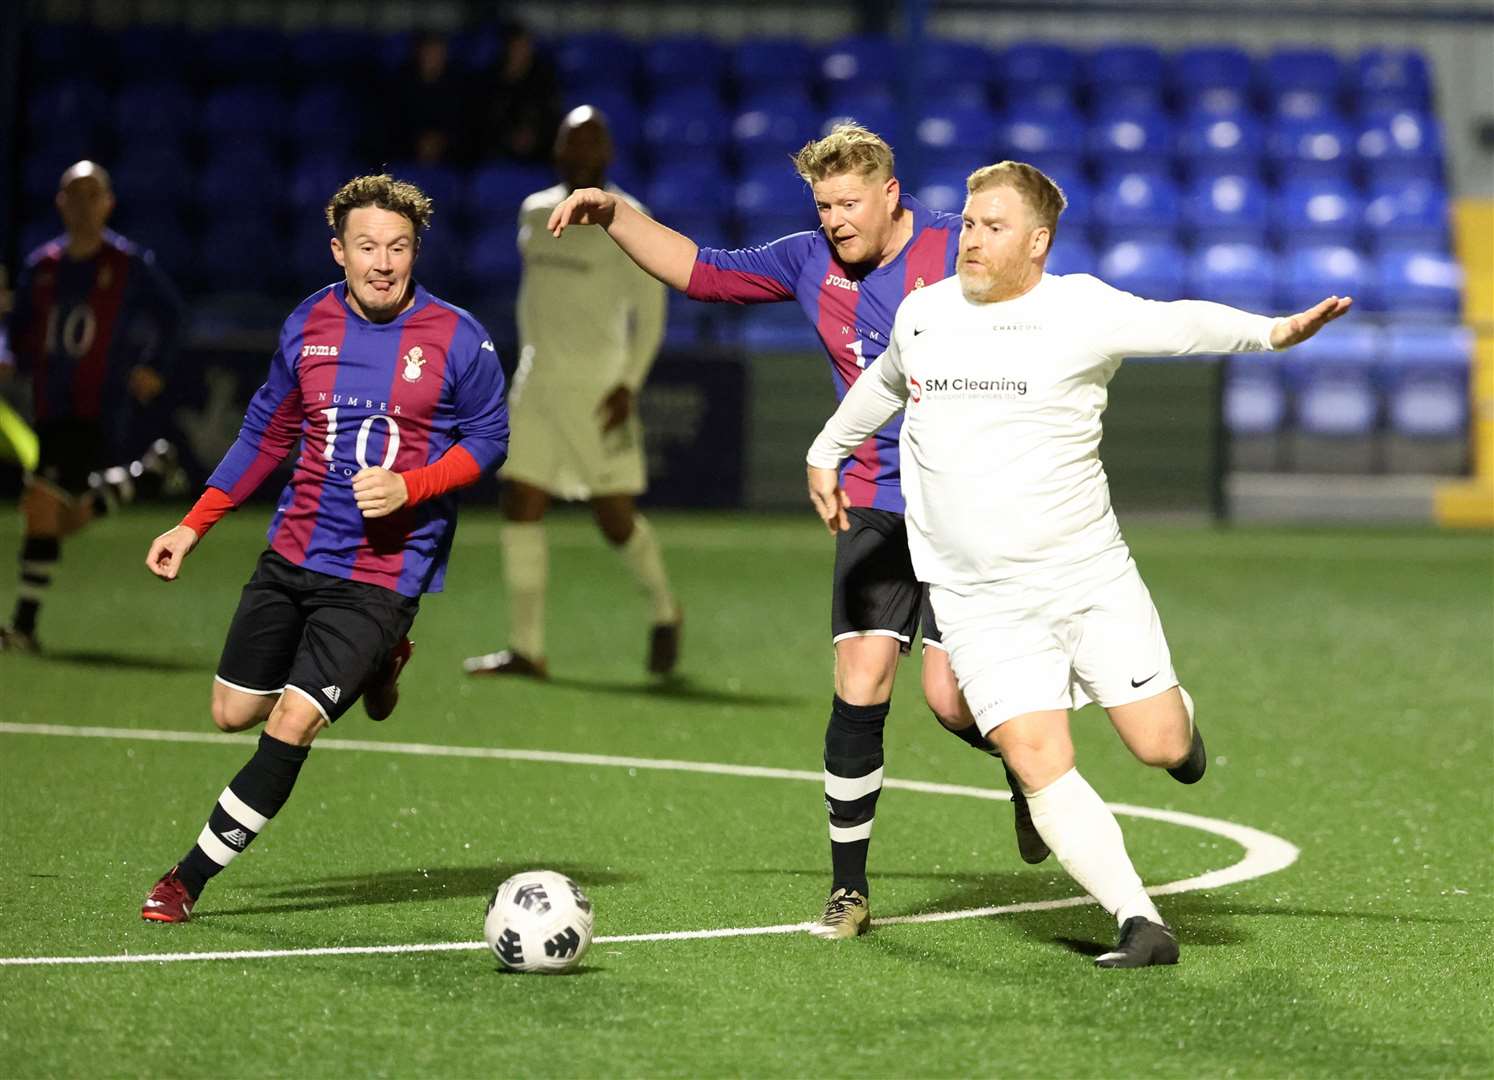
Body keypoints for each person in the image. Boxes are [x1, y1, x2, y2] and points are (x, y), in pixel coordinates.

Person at [806, 161, 1351, 967]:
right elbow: (884, 383)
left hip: (1085, 578)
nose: (971, 239)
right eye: (966, 222)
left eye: (993, 227)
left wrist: (1272, 332)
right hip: (977, 599)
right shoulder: (925, 315)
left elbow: (1182, 323)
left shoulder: (1081, 310)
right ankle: (1140, 921)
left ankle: (1183, 735)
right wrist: (827, 450)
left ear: (1037, 241)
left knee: (1160, 745)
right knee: (1035, 759)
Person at [545, 123, 1043, 939]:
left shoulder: (958, 249)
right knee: (860, 680)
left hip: (965, 503)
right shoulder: (808, 258)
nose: (837, 218)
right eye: (824, 205)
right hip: (875, 498)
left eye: (850, 202)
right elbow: (700, 272)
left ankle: (1030, 776)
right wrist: (615, 214)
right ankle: (850, 891)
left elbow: (1039, 297)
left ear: (891, 196)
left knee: (953, 704)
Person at [138, 174, 509, 923]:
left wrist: (415, 487)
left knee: (290, 725)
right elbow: (266, 434)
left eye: (398, 247)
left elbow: (490, 441)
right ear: (338, 250)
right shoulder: (308, 322)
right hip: (294, 551)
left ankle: (185, 880)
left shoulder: (460, 338)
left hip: (382, 573)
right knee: (231, 712)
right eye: (367, 246)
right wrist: (192, 524)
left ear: (416, 251)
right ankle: (377, 667)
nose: (383, 262)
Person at [463, 106, 678, 680]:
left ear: (607, 155)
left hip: (598, 389)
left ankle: (665, 611)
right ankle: (527, 648)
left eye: (591, 144)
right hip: (536, 384)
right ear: (557, 152)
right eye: (570, 143)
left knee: (613, 519)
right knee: (520, 501)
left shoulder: (631, 219)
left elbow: (652, 316)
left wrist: (628, 384)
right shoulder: (534, 212)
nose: (580, 154)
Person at [0, 160, 185, 653]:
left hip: (99, 405)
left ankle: (22, 627)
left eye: (91, 196)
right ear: (59, 202)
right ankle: (140, 478)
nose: (82, 207)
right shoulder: (41, 266)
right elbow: (15, 333)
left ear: (108, 203)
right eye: (73, 195)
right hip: (47, 404)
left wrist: (155, 366)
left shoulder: (127, 263)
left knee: (41, 504)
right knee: (65, 513)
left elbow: (173, 316)